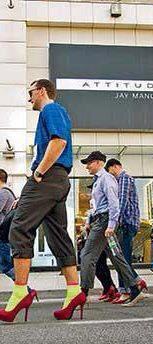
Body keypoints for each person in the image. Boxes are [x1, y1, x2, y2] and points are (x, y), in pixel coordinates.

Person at [0, 79, 85, 323]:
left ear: (42, 91)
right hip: (57, 179)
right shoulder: (54, 112)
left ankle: (19, 294)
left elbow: (59, 142)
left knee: (18, 228)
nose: (29, 98)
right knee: (58, 234)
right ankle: (73, 292)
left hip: (47, 177)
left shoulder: (51, 109)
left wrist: (37, 173)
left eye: (30, 93)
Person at [79, 151, 144, 307]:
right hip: (101, 221)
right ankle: (135, 288)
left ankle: (82, 294)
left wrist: (111, 225)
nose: (87, 166)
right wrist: (91, 220)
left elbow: (114, 203)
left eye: (89, 163)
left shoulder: (106, 179)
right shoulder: (97, 181)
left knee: (86, 255)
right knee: (117, 256)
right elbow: (96, 205)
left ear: (98, 162)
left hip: (103, 222)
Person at [105, 158, 147, 304]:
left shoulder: (124, 178)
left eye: (111, 172)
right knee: (122, 257)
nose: (112, 175)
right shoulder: (123, 179)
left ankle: (129, 289)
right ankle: (133, 284)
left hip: (126, 223)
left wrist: (114, 223)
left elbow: (121, 202)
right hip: (127, 223)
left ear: (116, 167)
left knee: (123, 258)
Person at [0, 169, 16, 281]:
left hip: (2, 235)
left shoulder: (3, 192)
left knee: (5, 265)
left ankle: (25, 289)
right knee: (5, 265)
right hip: (4, 234)